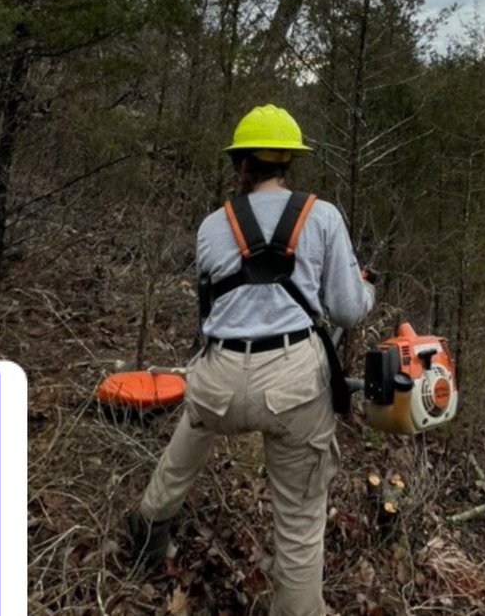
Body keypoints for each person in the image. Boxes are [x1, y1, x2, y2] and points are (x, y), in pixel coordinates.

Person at [128, 105, 374, 615]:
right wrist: (365, 291)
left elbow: (212, 306)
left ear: (239, 162)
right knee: (301, 522)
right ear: (289, 160)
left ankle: (149, 524)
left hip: (218, 376)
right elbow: (348, 309)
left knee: (196, 419)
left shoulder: (212, 225)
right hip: (291, 386)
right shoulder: (322, 216)